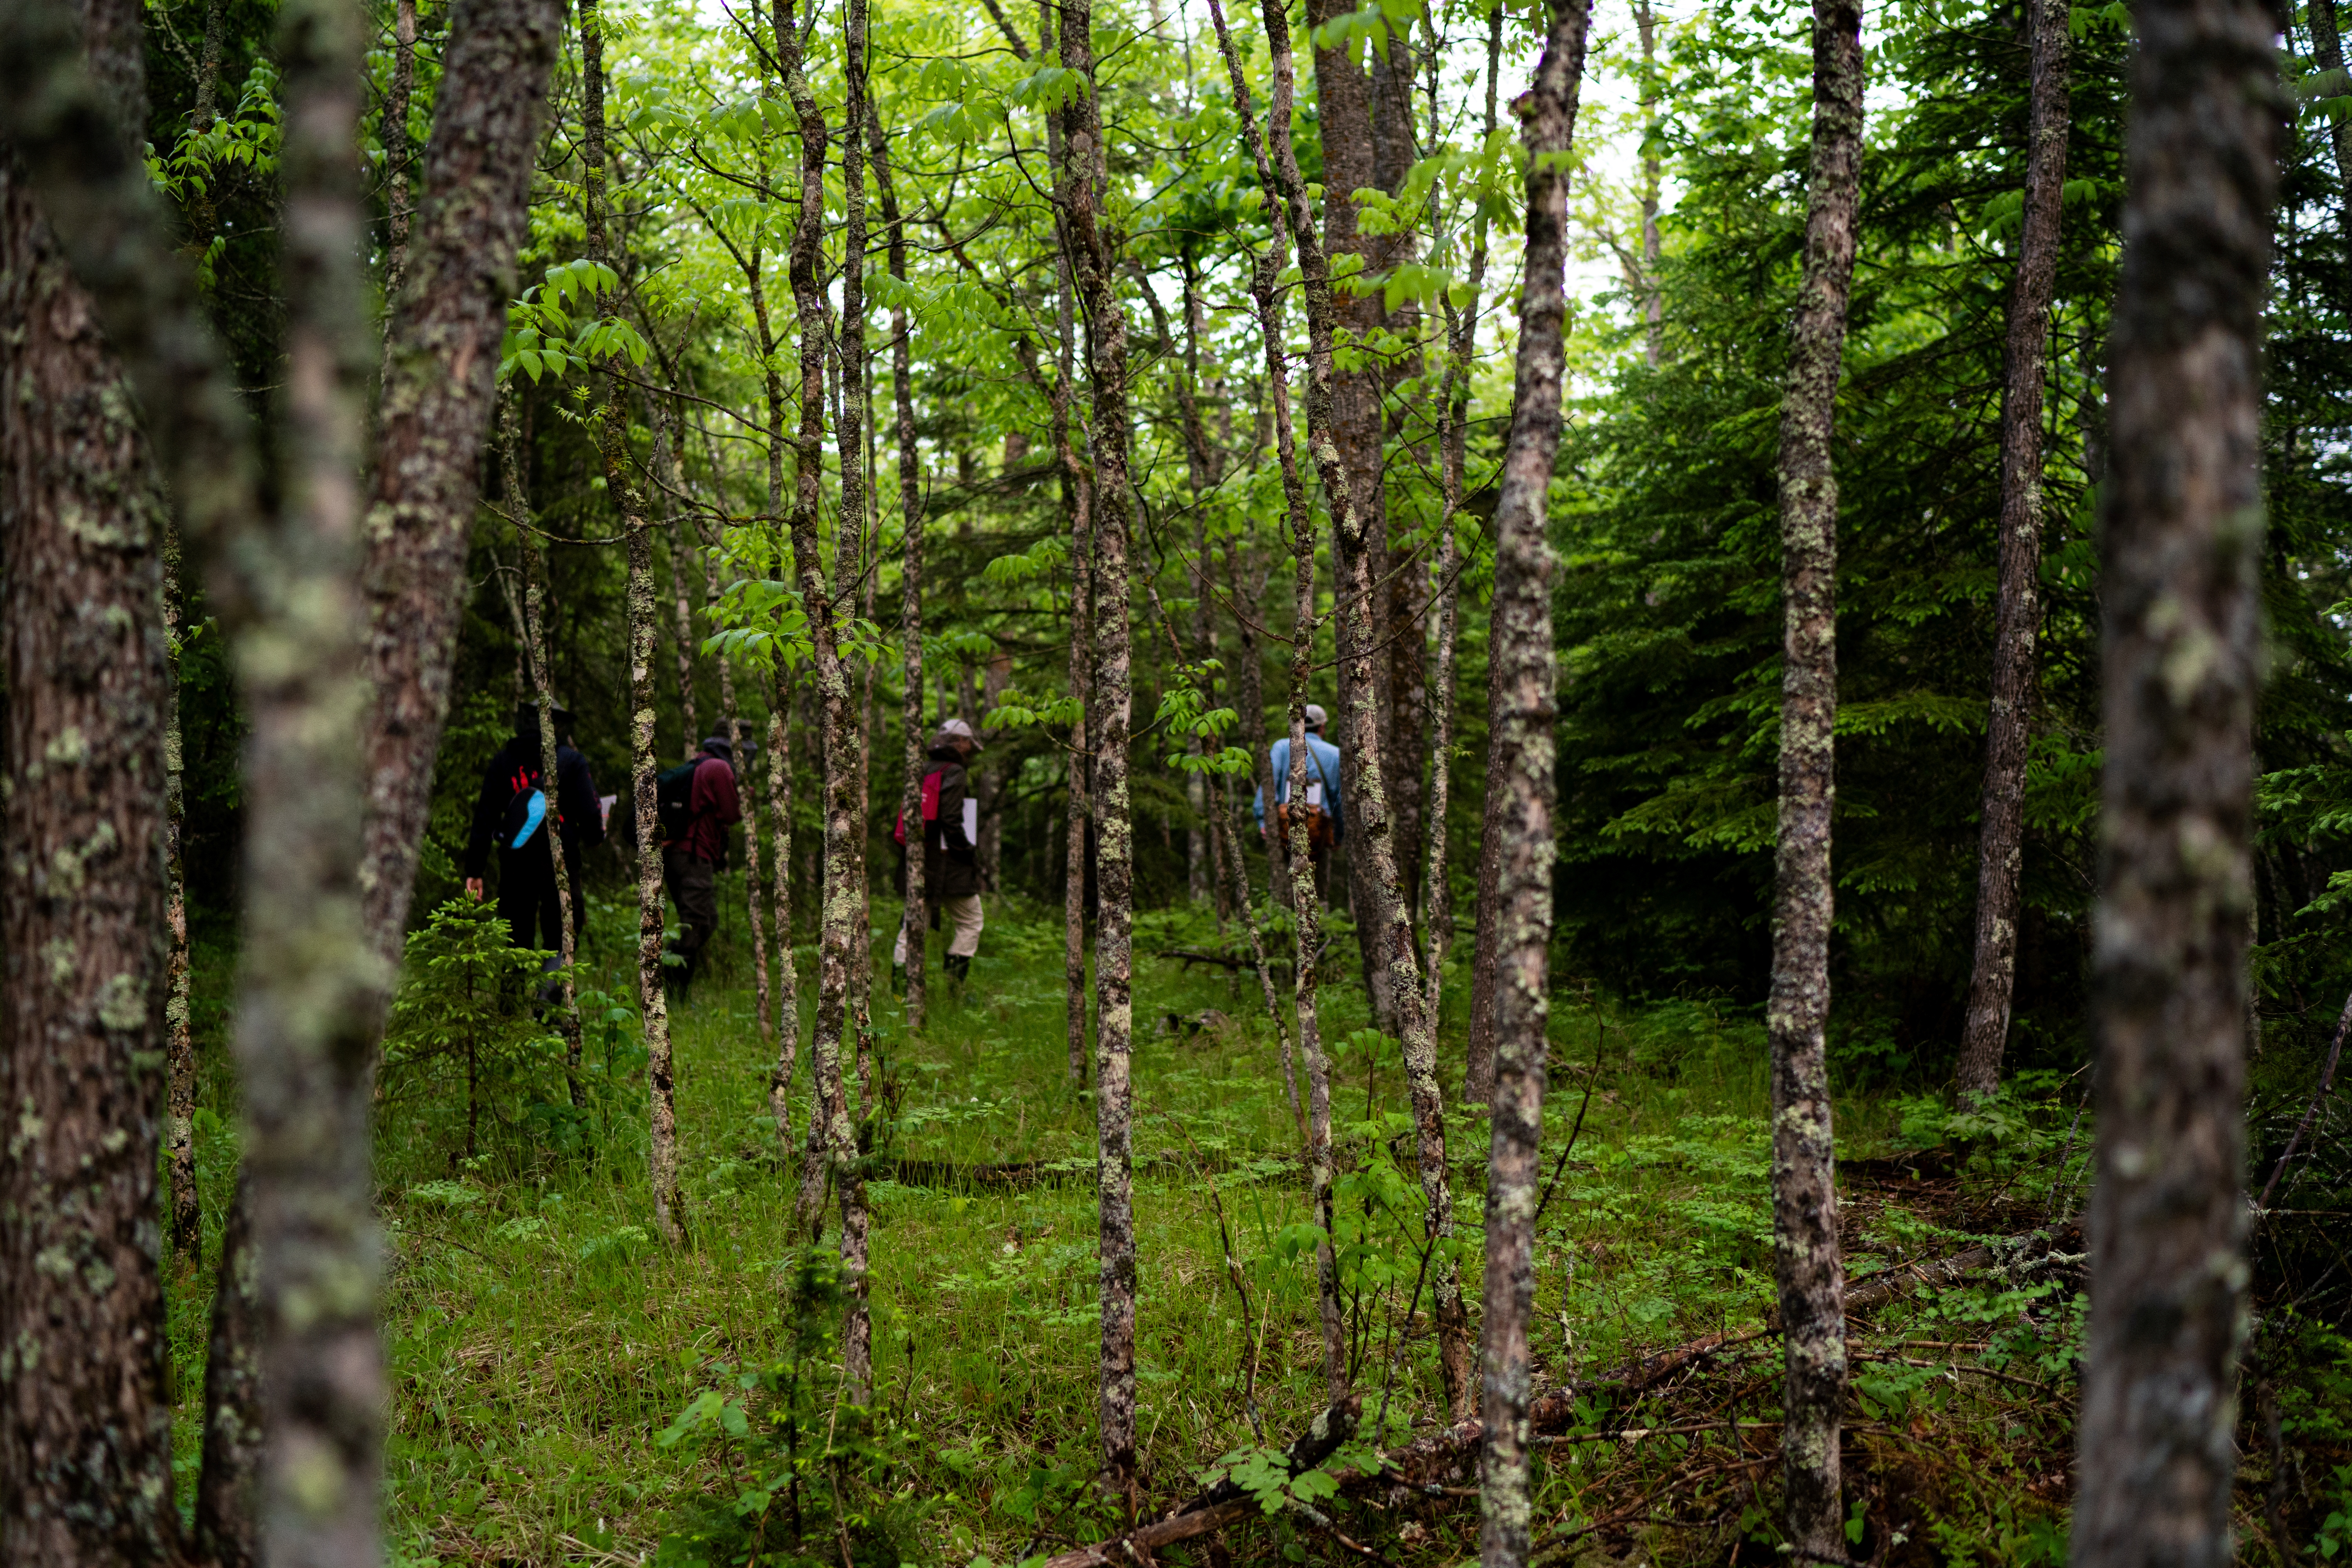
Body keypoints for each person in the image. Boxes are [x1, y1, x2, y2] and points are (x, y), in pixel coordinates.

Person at [465, 704, 606, 953]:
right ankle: (550, 990)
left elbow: (485, 817)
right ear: (558, 726)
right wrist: (595, 836)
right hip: (560, 858)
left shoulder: (504, 760)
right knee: (561, 937)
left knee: (515, 939)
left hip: (515, 861)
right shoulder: (572, 760)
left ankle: (514, 990)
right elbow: (591, 813)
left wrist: (475, 870)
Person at [892, 717, 985, 991]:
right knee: (971, 922)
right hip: (948, 864)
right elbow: (951, 819)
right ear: (961, 743)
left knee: (911, 925)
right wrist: (968, 853)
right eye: (969, 744)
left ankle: (899, 993)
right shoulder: (955, 771)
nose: (970, 750)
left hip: (917, 860)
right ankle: (953, 988)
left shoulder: (921, 769)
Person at [663, 733, 743, 999]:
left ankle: (672, 984)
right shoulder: (718, 768)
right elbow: (732, 814)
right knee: (697, 924)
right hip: (693, 854)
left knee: (706, 921)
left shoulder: (699, 763)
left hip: (682, 854)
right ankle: (672, 993)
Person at [1253, 702, 1345, 903]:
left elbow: (1268, 785)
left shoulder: (1280, 747)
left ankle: (1283, 924)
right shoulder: (1335, 754)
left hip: (1283, 826)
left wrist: (1263, 822)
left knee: (1283, 888)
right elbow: (1339, 797)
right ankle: (1319, 929)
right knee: (1317, 889)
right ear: (1322, 727)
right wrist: (1338, 836)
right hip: (1319, 830)